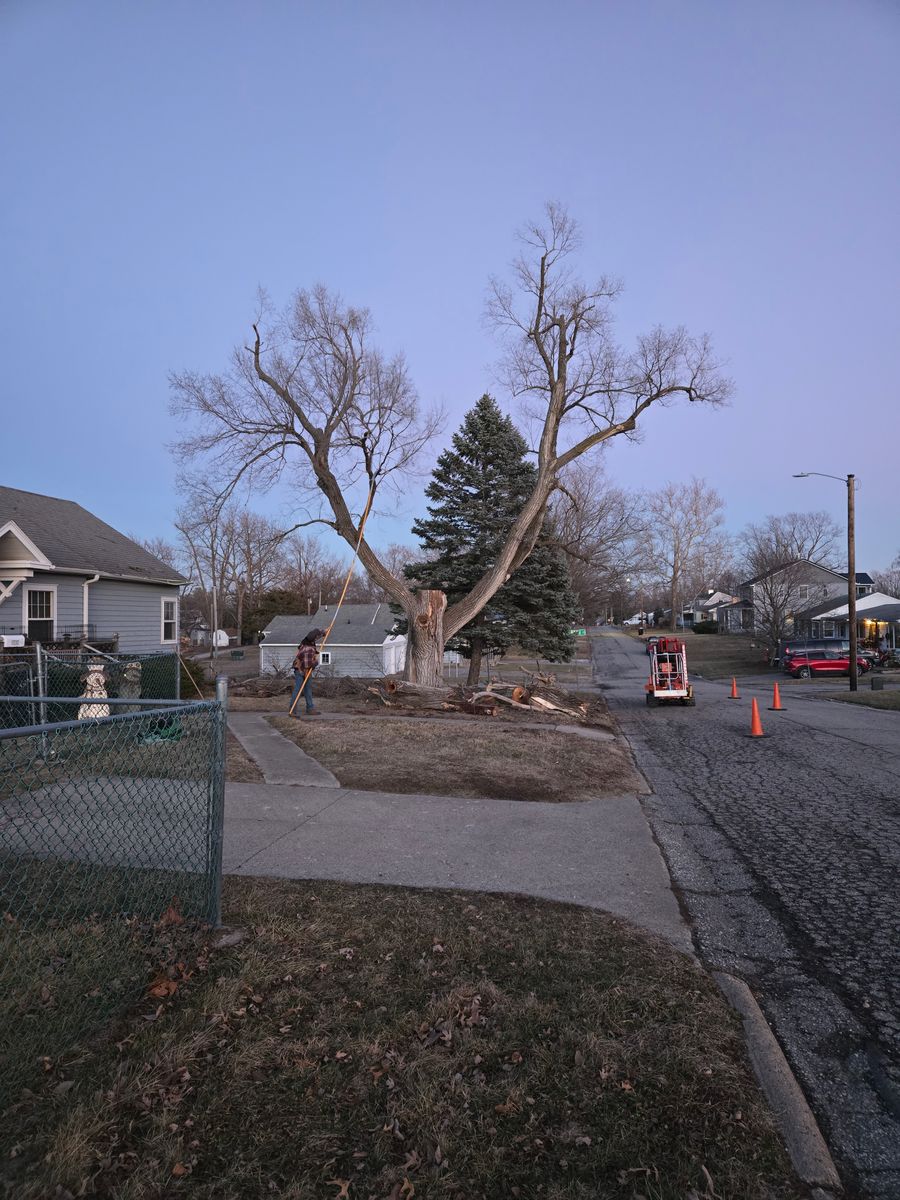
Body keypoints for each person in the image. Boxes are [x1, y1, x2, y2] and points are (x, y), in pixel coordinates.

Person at [290, 629, 325, 716]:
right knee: (298, 689)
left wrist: (325, 632)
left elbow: (320, 633)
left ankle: (310, 708)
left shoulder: (308, 641)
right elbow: (307, 665)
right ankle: (292, 710)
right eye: (317, 637)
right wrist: (315, 662)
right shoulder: (308, 649)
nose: (318, 638)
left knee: (308, 689)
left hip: (306, 668)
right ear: (314, 638)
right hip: (301, 670)